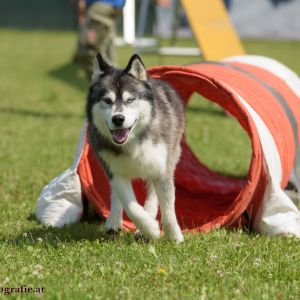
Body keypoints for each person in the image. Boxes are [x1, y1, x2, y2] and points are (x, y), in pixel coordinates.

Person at [74, 0, 170, 79]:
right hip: (107, 7)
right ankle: (117, 87)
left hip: (101, 7)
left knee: (88, 52)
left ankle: (109, 89)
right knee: (106, 55)